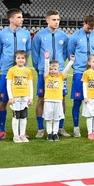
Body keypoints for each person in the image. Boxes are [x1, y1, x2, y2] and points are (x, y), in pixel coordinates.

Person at [0, 8, 31, 141]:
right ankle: (2, 130)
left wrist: (23, 67)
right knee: (3, 101)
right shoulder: (2, 34)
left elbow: (28, 51)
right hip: (5, 72)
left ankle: (22, 131)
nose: (22, 19)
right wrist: (3, 66)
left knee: (22, 102)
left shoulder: (26, 34)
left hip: (21, 74)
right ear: (11, 19)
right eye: (19, 17)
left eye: (21, 17)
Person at [31, 10, 67, 138]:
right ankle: (41, 128)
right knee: (41, 99)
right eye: (53, 19)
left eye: (58, 20)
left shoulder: (63, 36)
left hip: (59, 73)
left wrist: (60, 66)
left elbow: (66, 53)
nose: (56, 22)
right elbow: (35, 55)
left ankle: (60, 128)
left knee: (61, 99)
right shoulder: (39, 36)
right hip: (44, 72)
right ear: (47, 20)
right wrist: (40, 68)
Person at [68, 14, 94, 134]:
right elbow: (70, 53)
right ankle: (76, 127)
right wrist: (76, 66)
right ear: (84, 23)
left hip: (93, 73)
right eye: (89, 27)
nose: (91, 30)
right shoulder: (75, 37)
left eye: (93, 27)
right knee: (78, 100)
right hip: (79, 72)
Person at [42, 53, 72, 141]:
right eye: (51, 69)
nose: (53, 70)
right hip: (48, 100)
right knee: (49, 117)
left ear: (58, 69)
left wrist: (71, 61)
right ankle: (49, 133)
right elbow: (46, 68)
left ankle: (55, 133)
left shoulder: (61, 77)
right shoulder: (47, 77)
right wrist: (46, 59)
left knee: (56, 118)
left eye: (55, 69)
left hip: (58, 101)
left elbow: (66, 70)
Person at [7, 50, 34, 142]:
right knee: (16, 116)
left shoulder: (28, 71)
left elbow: (30, 84)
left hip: (25, 97)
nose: (20, 60)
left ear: (25, 59)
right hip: (15, 97)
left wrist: (31, 97)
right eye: (18, 58)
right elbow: (8, 84)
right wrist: (10, 96)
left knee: (23, 116)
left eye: (22, 58)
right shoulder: (11, 70)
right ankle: (16, 135)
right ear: (15, 59)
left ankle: (22, 134)